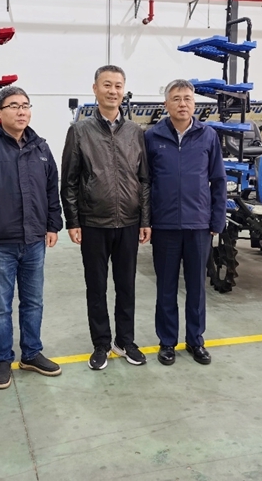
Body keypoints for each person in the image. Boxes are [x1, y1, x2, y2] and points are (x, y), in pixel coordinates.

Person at [0, 86, 63, 390]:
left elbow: (51, 190)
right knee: (0, 307)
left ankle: (31, 354)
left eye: (25, 105)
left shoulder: (41, 148)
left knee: (33, 302)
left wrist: (53, 225)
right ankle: (3, 359)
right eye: (14, 106)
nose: (21, 111)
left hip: (34, 241)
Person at [61, 65, 151, 370]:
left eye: (118, 86)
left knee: (126, 286)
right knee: (96, 287)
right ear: (95, 89)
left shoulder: (135, 132)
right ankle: (101, 343)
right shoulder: (80, 131)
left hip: (129, 222)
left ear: (123, 91)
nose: (113, 91)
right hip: (93, 223)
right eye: (107, 85)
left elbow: (144, 179)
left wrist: (145, 220)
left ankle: (125, 341)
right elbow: (69, 180)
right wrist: (73, 221)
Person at [144, 79, 226, 366]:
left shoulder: (208, 136)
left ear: (194, 104)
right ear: (166, 104)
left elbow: (218, 180)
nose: (182, 104)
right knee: (166, 288)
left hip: (198, 225)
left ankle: (195, 340)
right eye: (176, 98)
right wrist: (146, 220)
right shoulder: (152, 137)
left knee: (196, 288)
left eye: (187, 98)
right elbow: (145, 182)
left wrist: (217, 220)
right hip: (164, 226)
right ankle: (167, 342)